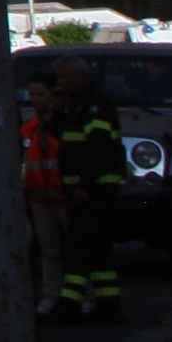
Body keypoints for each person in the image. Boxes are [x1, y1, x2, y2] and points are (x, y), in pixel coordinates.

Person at [52, 60, 129, 323]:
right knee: (98, 250)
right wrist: (58, 112)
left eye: (63, 77)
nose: (60, 84)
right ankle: (108, 304)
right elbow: (62, 137)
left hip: (96, 190)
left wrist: (84, 186)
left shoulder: (96, 105)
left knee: (79, 248)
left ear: (80, 77)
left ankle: (69, 305)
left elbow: (96, 148)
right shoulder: (77, 104)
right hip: (86, 188)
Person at [20, 73, 67, 321]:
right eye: (33, 95)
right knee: (49, 251)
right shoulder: (28, 127)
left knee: (73, 247)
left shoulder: (61, 125)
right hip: (39, 197)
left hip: (63, 194)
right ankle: (52, 295)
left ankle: (81, 295)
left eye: (41, 94)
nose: (36, 99)